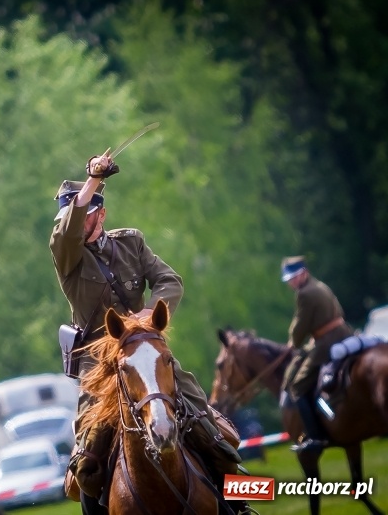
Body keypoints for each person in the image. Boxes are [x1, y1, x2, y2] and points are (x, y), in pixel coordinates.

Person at [50, 151, 244, 515]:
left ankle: (240, 504)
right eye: (73, 219)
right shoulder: (66, 254)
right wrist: (93, 180)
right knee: (87, 462)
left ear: (102, 215)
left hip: (146, 350)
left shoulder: (131, 243)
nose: (77, 226)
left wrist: (150, 315)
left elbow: (169, 280)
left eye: (86, 216)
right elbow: (66, 230)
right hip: (100, 364)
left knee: (214, 436)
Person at [280, 256, 353, 454]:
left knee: (297, 386)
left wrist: (293, 343)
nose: (292, 282)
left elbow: (300, 326)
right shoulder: (321, 286)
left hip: (326, 343)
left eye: (295, 277)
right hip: (344, 333)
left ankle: (316, 437)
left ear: (304, 273)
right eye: (290, 279)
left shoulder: (304, 294)